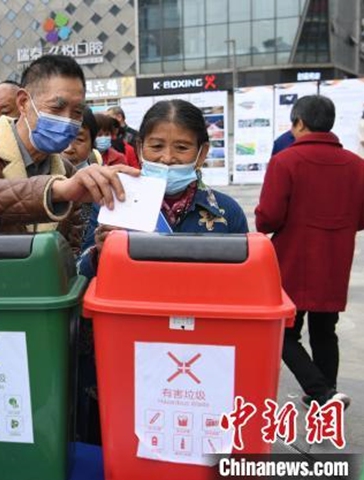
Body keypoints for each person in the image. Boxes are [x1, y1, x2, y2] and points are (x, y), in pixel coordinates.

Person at [0, 54, 135, 253]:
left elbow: (68, 255)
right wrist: (57, 190)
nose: (67, 120)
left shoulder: (68, 173)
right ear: (23, 103)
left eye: (77, 112)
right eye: (57, 108)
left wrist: (98, 251)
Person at [256, 95, 364, 409]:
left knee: (284, 332)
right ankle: (326, 390)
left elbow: (268, 218)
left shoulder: (286, 161)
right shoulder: (357, 166)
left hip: (292, 258)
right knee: (325, 329)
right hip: (335, 258)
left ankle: (322, 392)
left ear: (299, 123)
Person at [78, 99, 249, 279]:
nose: (167, 158)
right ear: (139, 148)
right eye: (157, 146)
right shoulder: (112, 201)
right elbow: (81, 273)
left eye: (182, 148)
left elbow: (246, 278)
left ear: (202, 154)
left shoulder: (227, 212)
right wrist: (98, 252)